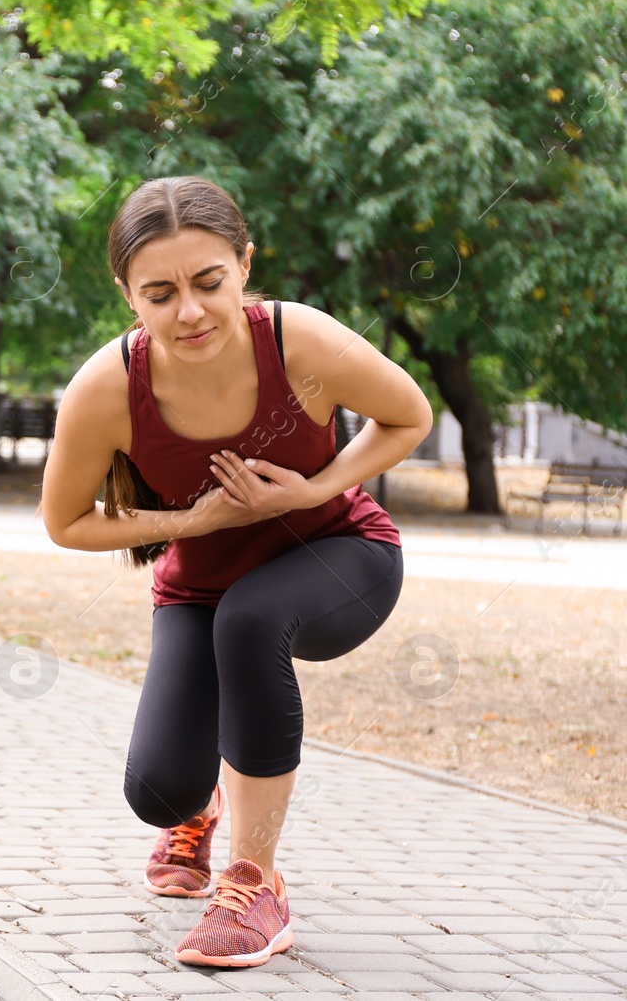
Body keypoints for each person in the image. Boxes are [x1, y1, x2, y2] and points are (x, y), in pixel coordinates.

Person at [40, 176, 433, 968]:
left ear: (244, 266)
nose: (189, 310)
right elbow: (65, 519)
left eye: (208, 282)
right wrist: (193, 522)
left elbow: (410, 414)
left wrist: (317, 485)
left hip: (341, 557)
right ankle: (202, 806)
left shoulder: (302, 342)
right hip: (201, 585)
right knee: (157, 791)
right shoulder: (107, 388)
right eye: (160, 292)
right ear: (128, 295)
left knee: (249, 620)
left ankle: (255, 883)